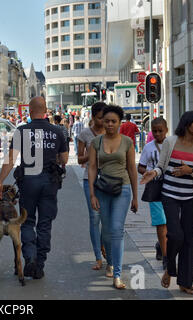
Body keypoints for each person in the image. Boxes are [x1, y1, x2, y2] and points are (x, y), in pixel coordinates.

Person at [0, 97, 69, 280]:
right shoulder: (57, 131)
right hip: (49, 182)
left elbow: (11, 159)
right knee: (45, 223)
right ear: (45, 110)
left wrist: (0, 181)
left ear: (29, 110)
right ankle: (40, 264)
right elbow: (65, 159)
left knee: (27, 221)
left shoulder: (22, 131)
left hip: (28, 181)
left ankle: (30, 258)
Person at [141, 111, 193, 295]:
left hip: (191, 198)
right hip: (169, 195)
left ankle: (185, 282)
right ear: (186, 123)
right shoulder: (171, 142)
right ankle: (170, 269)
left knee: (188, 240)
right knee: (176, 235)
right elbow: (161, 167)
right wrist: (153, 173)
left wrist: (190, 171)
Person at [88, 105, 138, 290]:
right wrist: (92, 193)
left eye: (113, 121)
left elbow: (132, 169)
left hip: (122, 189)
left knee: (117, 230)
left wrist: (135, 196)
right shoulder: (96, 142)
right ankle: (109, 262)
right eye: (106, 120)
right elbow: (92, 167)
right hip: (102, 190)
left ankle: (117, 274)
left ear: (119, 123)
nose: (109, 124)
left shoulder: (127, 142)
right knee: (107, 230)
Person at [77, 102, 107, 271]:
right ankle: (97, 256)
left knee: (106, 218)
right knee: (94, 218)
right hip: (90, 179)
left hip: (109, 179)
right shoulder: (84, 134)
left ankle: (103, 245)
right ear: (93, 117)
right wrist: (90, 155)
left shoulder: (111, 132)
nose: (103, 122)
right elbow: (79, 159)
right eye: (100, 118)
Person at [138, 117, 169, 270]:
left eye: (160, 131)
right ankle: (166, 256)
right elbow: (140, 167)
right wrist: (149, 173)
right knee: (161, 222)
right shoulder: (148, 147)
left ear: (166, 130)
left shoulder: (172, 146)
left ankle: (160, 245)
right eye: (154, 131)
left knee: (171, 223)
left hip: (171, 187)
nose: (157, 134)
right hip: (155, 188)